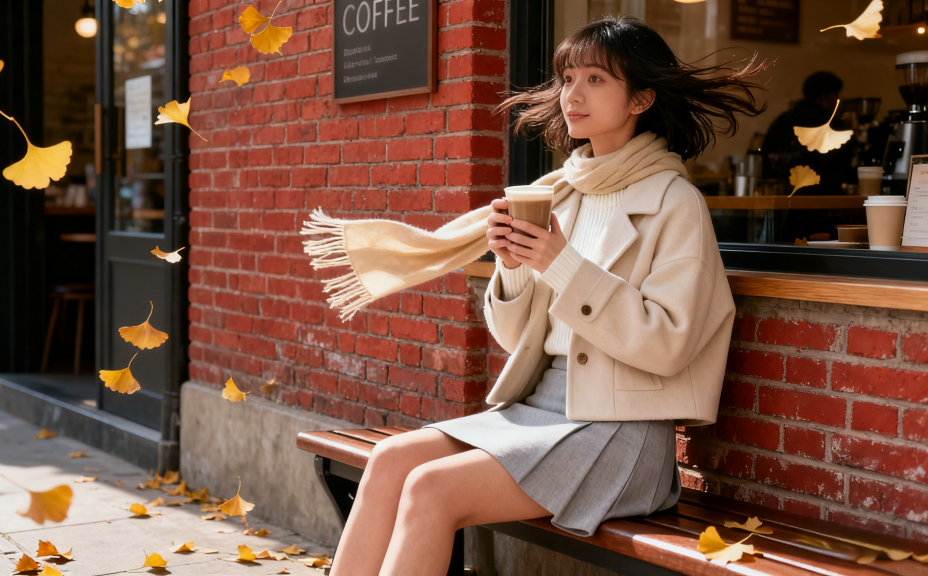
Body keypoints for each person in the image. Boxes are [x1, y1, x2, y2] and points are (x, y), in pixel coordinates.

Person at [315, 16, 768, 576]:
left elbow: (668, 346)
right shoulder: (561, 195)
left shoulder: (676, 204)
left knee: (432, 489)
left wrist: (559, 262)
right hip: (539, 410)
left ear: (642, 98)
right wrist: (512, 268)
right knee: (389, 461)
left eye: (596, 80)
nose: (572, 95)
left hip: (619, 431)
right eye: (567, 78)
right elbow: (514, 340)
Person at [761, 71, 855, 194]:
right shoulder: (835, 126)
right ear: (828, 95)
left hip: (782, 198)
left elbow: (764, 160)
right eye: (836, 95)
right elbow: (841, 169)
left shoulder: (783, 121)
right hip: (823, 201)